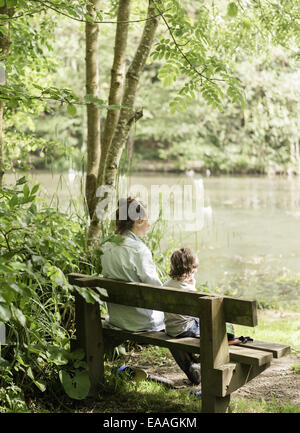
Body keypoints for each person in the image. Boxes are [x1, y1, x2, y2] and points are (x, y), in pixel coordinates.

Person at [164, 248, 242, 385]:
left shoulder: (165, 285)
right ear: (189, 270)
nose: (196, 271)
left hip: (171, 329)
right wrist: (193, 287)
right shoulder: (188, 290)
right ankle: (209, 356)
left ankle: (196, 366)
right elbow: (199, 312)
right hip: (186, 330)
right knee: (215, 323)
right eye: (194, 268)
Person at [100, 197, 164, 332]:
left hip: (117, 318)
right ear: (139, 221)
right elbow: (157, 290)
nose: (149, 224)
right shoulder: (139, 250)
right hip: (141, 322)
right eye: (148, 219)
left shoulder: (106, 247)